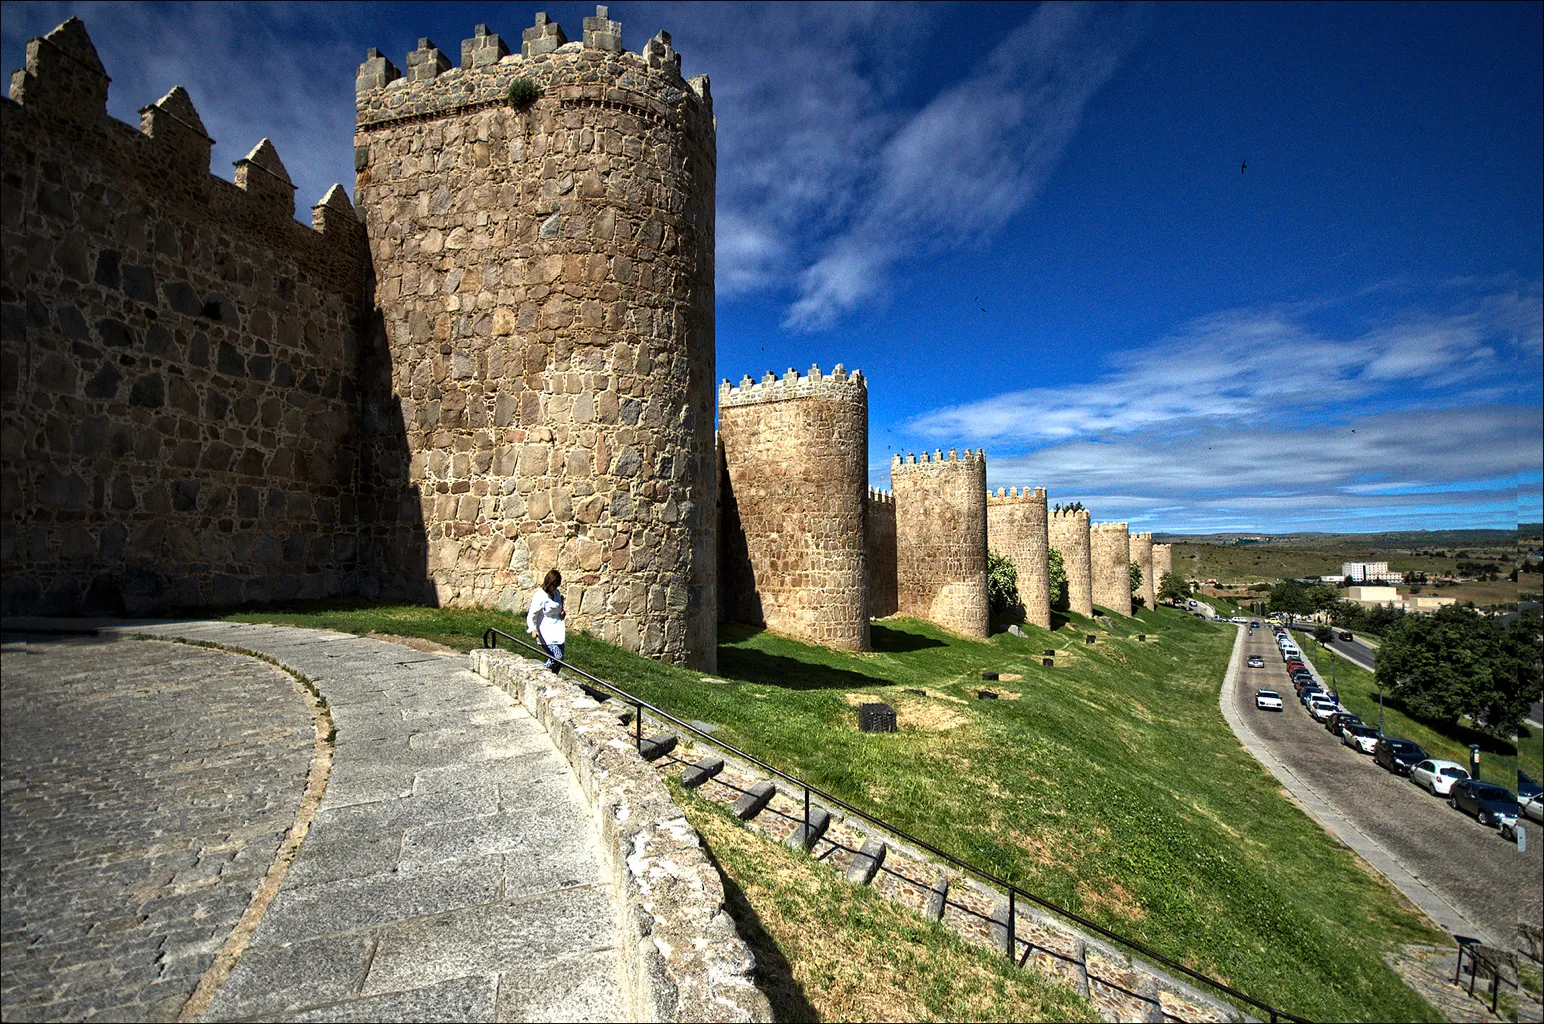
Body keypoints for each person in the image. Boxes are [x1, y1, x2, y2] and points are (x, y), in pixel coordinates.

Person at [527, 569, 567, 672]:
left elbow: (558, 609)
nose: (555, 588)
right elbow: (532, 614)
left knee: (560, 660)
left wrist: (562, 614)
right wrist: (533, 629)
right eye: (554, 585)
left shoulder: (557, 594)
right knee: (556, 656)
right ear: (548, 583)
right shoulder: (540, 596)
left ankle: (554, 678)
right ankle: (542, 672)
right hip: (545, 631)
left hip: (557, 630)